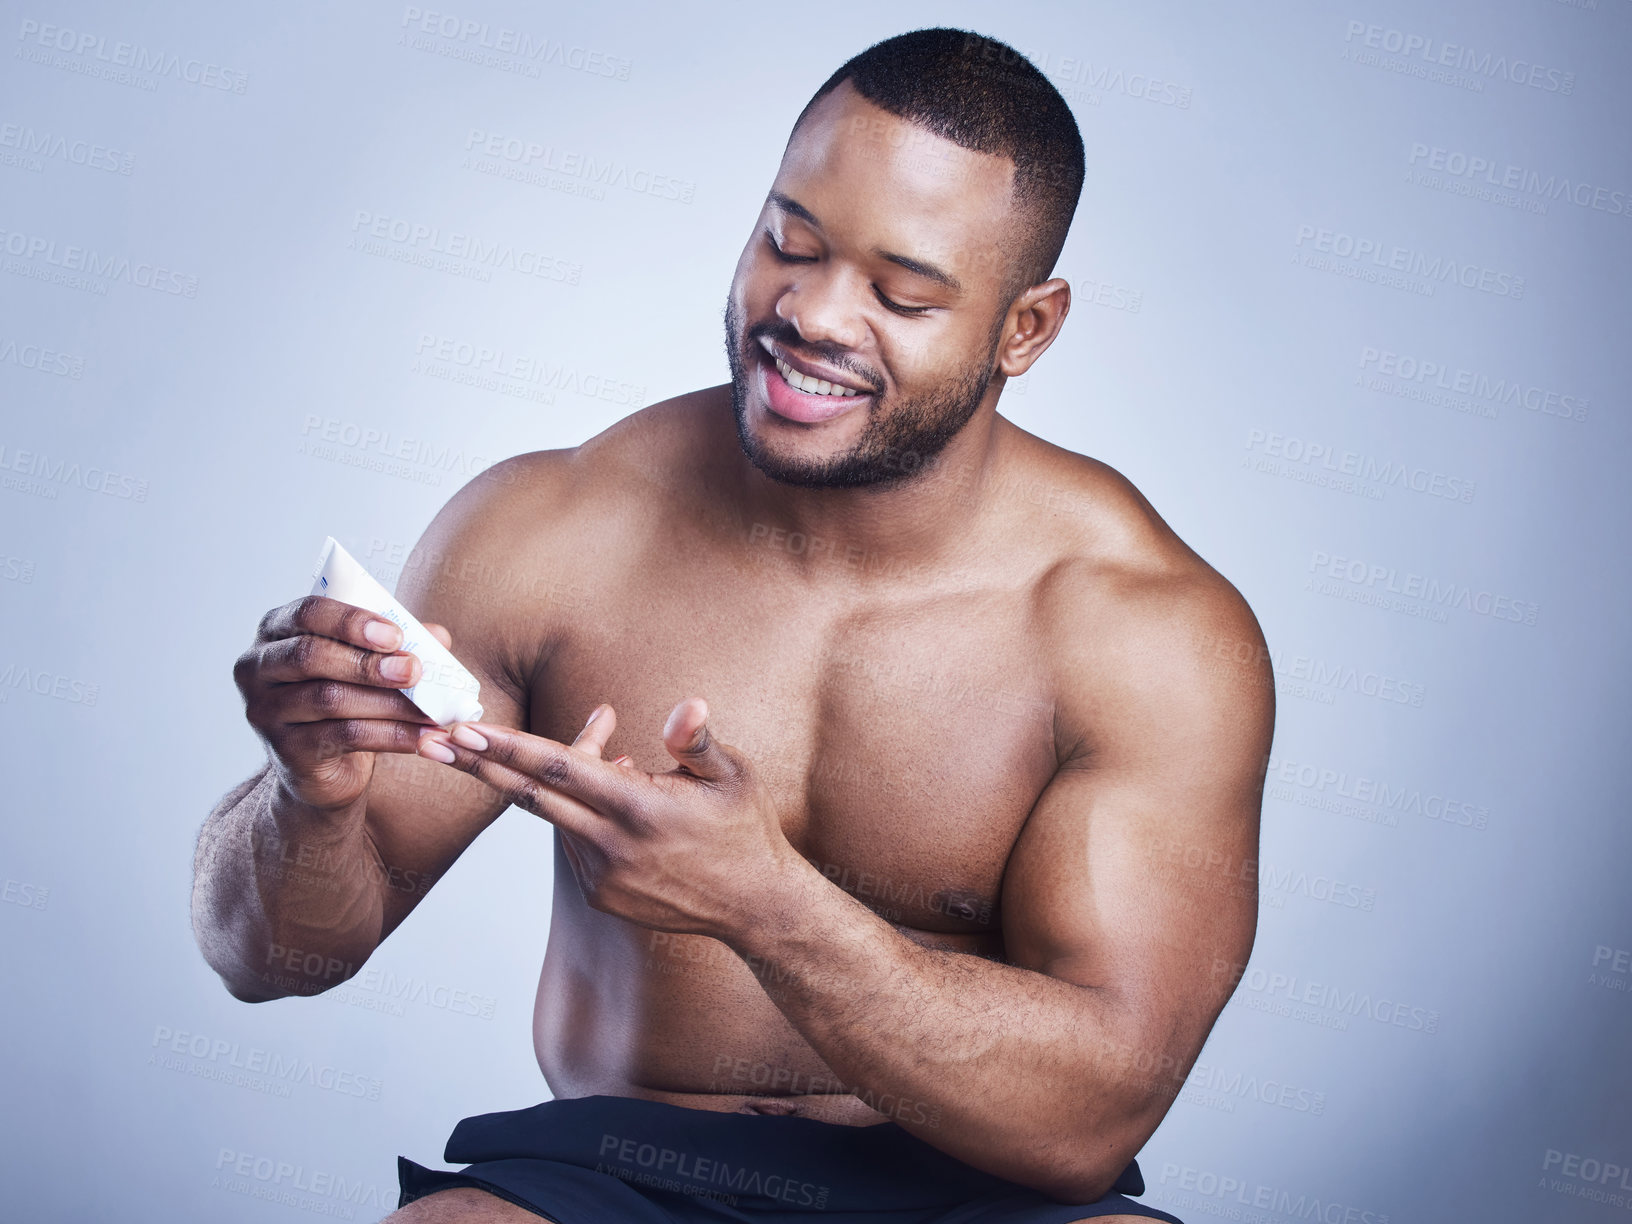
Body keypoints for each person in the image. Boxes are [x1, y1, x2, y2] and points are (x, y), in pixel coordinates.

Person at [193, 27, 1274, 1224]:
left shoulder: (1146, 632)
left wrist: (767, 904)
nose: (810, 313)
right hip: (613, 1172)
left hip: (988, 1193)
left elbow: (1091, 1119)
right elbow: (274, 960)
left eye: (901, 293)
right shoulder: (552, 529)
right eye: (787, 243)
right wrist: (313, 800)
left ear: (1027, 329)